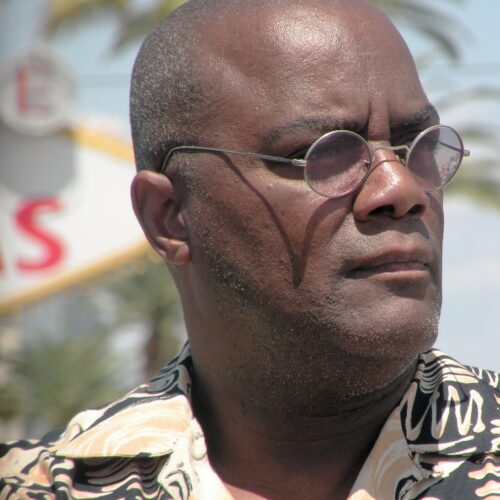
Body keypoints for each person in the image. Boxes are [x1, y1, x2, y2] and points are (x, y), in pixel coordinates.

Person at [1, 0, 498, 498]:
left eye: (417, 146)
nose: (402, 189)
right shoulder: (41, 487)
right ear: (168, 216)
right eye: (320, 153)